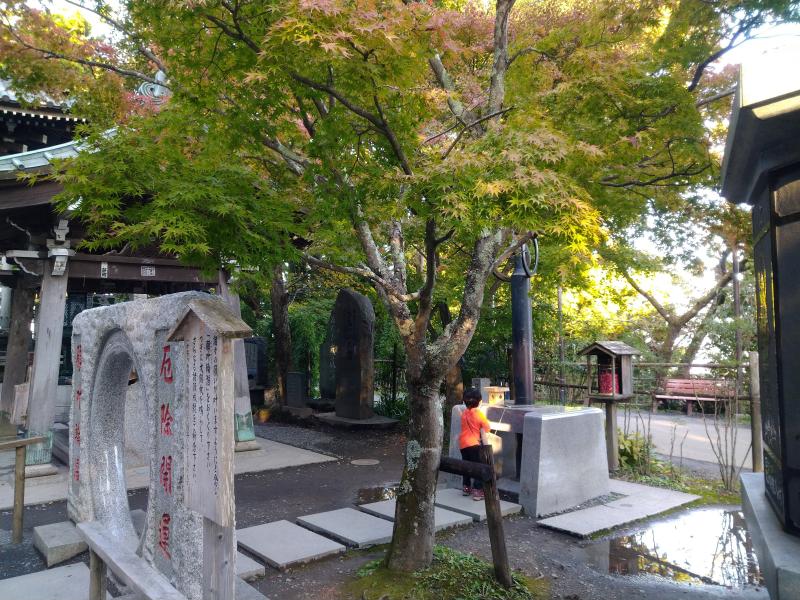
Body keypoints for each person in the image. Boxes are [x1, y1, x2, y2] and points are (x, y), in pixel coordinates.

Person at [459, 387, 491, 501]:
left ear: (464, 401)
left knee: (466, 466)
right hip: (474, 444)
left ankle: (466, 488)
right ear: (480, 401)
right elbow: (487, 428)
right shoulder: (479, 414)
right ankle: (477, 491)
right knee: (478, 467)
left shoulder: (464, 413)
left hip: (463, 444)